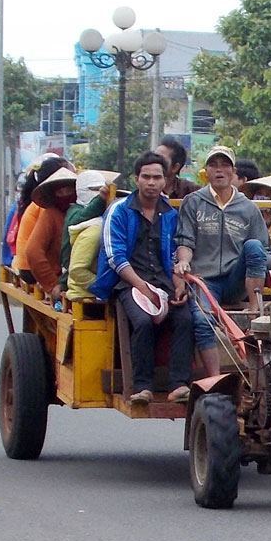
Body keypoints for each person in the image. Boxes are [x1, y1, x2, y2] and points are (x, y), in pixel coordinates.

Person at [175, 145, 271, 376]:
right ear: (206, 172)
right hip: (204, 281)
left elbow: (263, 250)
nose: (219, 170)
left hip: (236, 281)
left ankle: (255, 310)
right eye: (213, 165)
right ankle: (216, 379)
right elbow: (185, 242)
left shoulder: (248, 208)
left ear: (233, 172)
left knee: (253, 246)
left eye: (224, 165)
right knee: (202, 320)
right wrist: (183, 262)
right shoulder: (193, 202)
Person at [91, 152, 193, 404]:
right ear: (136, 179)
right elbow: (115, 257)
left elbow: (174, 252)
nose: (151, 182)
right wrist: (142, 287)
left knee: (185, 319)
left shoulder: (170, 213)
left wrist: (179, 284)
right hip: (127, 282)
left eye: (157, 177)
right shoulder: (118, 211)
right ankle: (143, 386)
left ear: (165, 180)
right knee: (143, 321)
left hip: (163, 282)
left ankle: (179, 385)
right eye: (146, 177)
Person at [23, 166, 78, 304]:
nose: (65, 195)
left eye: (69, 191)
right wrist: (53, 284)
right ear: (53, 195)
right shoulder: (50, 215)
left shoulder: (87, 213)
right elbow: (33, 251)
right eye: (60, 192)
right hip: (62, 283)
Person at [59, 170, 113, 294]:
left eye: (100, 189)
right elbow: (84, 215)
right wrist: (100, 198)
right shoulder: (74, 211)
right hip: (70, 273)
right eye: (94, 189)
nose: (97, 192)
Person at [155, 136, 200, 200]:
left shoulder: (192, 191)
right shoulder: (146, 188)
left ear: (175, 167)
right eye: (154, 157)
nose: (155, 162)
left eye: (161, 159)